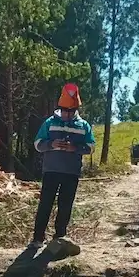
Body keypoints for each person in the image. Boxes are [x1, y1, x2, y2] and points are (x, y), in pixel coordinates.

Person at [31, 83, 95, 254]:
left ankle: (60, 236)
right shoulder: (49, 123)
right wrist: (51, 144)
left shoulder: (84, 126)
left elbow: (91, 146)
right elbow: (37, 144)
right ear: (60, 108)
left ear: (75, 110)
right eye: (65, 110)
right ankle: (37, 238)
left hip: (71, 172)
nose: (67, 114)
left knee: (65, 205)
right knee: (45, 203)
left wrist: (76, 148)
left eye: (71, 111)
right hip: (51, 170)